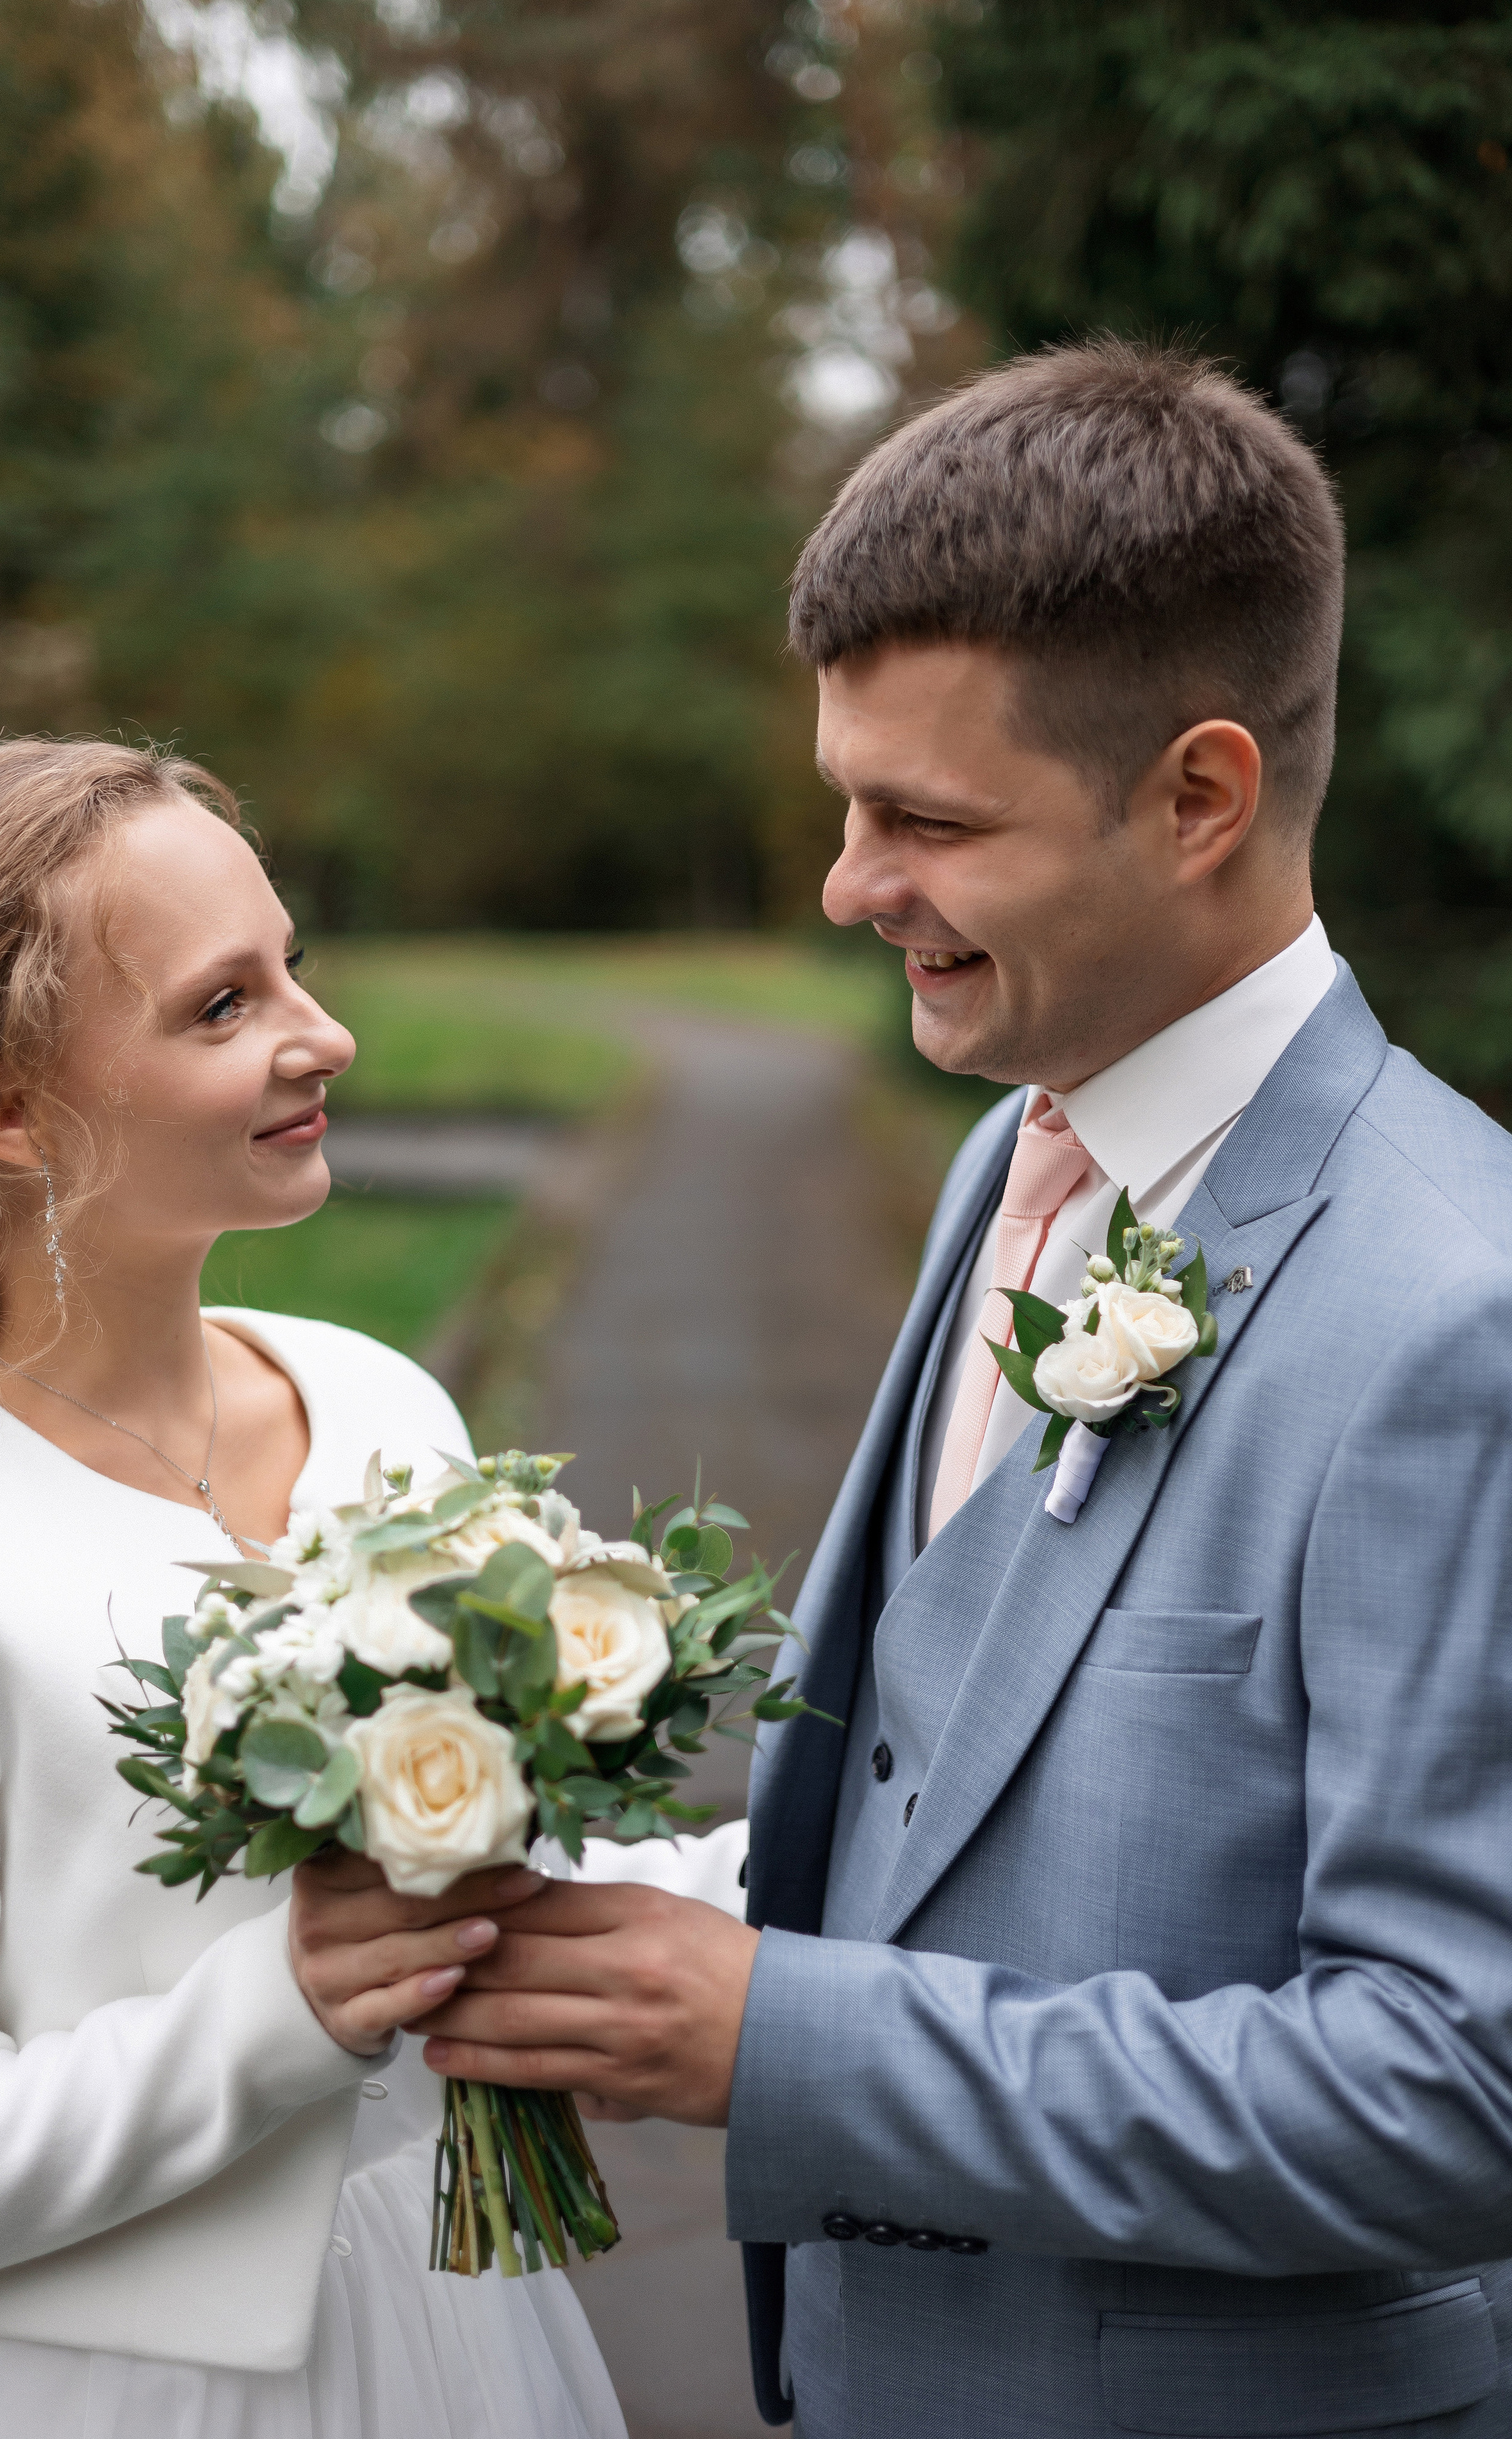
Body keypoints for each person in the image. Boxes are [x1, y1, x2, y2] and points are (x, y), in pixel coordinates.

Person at [412, 342, 1512, 2435]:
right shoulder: (1014, 1152)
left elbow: (1458, 2090)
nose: (845, 887)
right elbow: (961, 1794)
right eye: (847, 801)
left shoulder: (1459, 1319)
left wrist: (779, 2042)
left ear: (1199, 797)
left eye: (924, 820)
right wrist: (626, 1919)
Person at [0, 737, 625, 2439]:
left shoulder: (383, 1406)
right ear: (10, 1112)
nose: (324, 1034)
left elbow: (493, 1865)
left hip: (459, 2321)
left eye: (293, 963)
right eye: (223, 1007)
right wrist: (284, 2015)